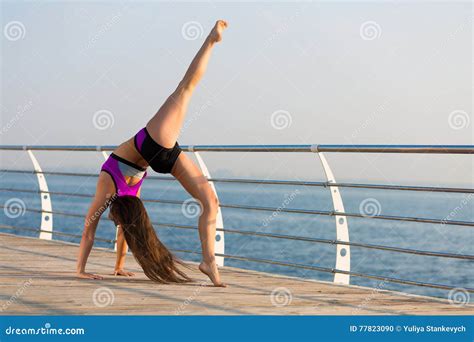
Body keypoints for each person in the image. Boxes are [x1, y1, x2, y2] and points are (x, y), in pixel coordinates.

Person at [76, 20, 228, 287]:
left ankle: (209, 263)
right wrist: (80, 271)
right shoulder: (111, 185)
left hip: (159, 152)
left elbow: (109, 228)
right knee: (185, 87)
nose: (115, 220)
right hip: (153, 145)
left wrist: (118, 268)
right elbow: (91, 230)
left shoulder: (118, 193)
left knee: (211, 201)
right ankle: (211, 40)